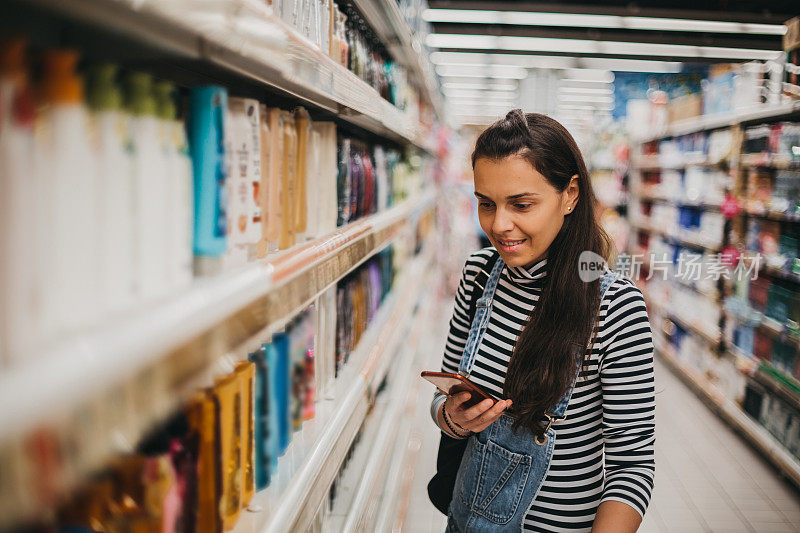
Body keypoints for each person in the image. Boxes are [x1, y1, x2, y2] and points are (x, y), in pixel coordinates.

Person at [430, 110, 655, 532]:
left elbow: (633, 466)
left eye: (521, 204)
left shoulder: (614, 307)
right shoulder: (479, 276)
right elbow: (444, 401)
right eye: (486, 203)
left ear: (569, 195)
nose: (499, 225)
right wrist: (453, 418)